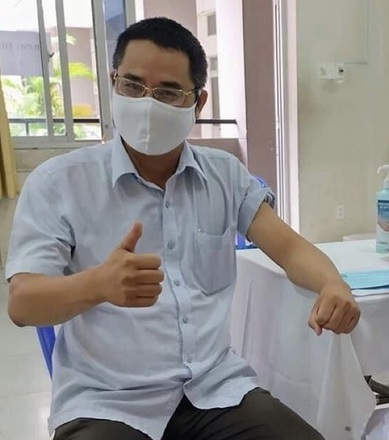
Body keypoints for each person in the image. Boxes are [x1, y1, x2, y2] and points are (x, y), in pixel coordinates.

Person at [5, 17, 360, 440]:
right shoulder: (59, 183)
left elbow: (289, 248)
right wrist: (97, 284)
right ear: (113, 82)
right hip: (107, 402)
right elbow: (22, 303)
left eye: (168, 92)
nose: (147, 103)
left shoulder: (224, 175)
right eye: (133, 85)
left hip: (215, 391)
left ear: (199, 102)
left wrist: (333, 284)